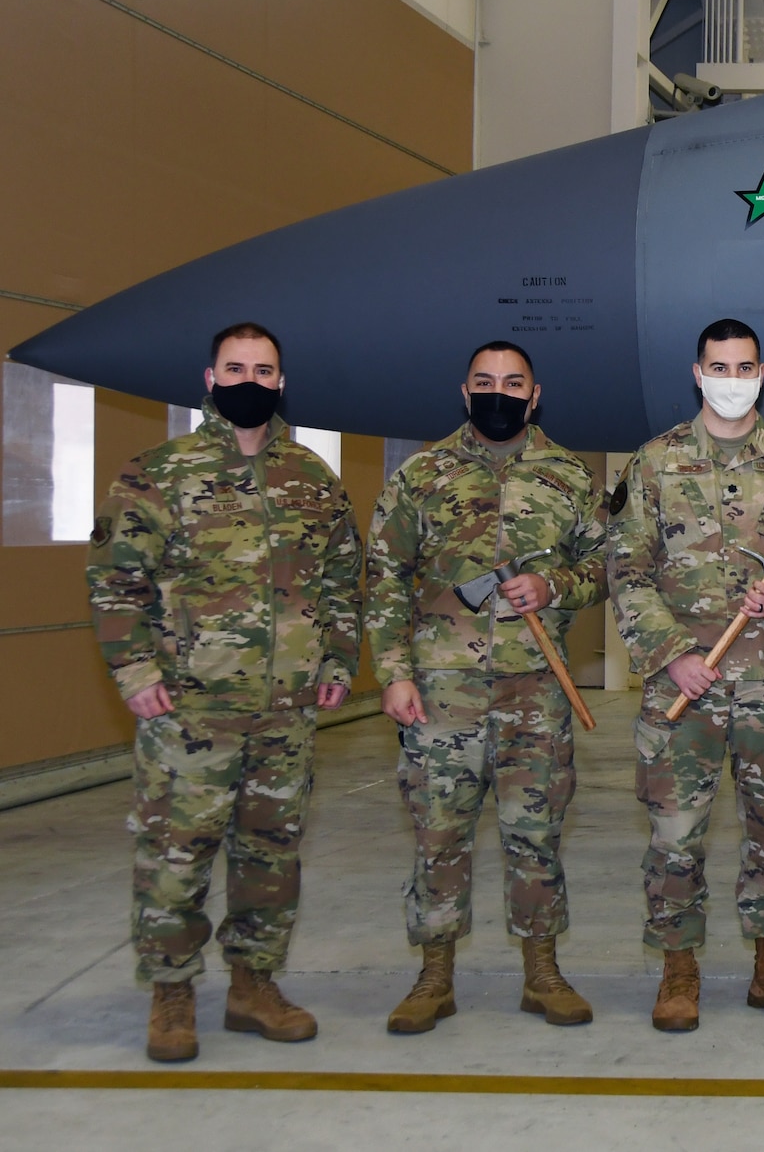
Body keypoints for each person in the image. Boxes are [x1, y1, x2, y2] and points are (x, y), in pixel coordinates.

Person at [86, 322, 360, 1063]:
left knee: (270, 854)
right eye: (235, 367)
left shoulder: (311, 476)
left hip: (286, 712)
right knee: (177, 853)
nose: (249, 379)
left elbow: (340, 578)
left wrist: (336, 660)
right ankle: (172, 991)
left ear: (280, 383)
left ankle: (253, 985)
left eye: (263, 369)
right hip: (188, 709)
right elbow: (115, 581)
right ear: (209, 379)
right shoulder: (155, 473)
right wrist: (136, 673)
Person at [367, 341, 606, 1033]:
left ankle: (543, 970)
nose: (498, 392)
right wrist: (393, 672)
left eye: (512, 383)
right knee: (439, 831)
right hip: (442, 689)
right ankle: (433, 974)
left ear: (534, 396)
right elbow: (386, 578)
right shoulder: (423, 474)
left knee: (536, 830)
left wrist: (554, 583)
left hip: (536, 688)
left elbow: (606, 565)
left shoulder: (567, 476)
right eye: (484, 382)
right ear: (464, 391)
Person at [610, 318, 764, 1032]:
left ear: (762, 373)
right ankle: (679, 972)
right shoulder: (654, 463)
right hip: (682, 684)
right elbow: (625, 568)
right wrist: (670, 650)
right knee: (675, 834)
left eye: (744, 367)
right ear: (697, 371)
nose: (731, 379)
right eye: (720, 366)